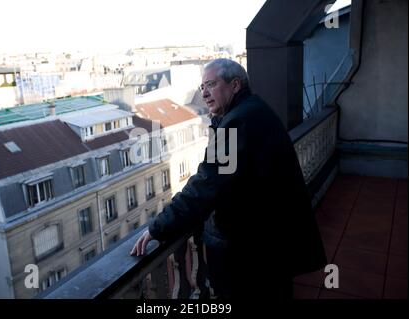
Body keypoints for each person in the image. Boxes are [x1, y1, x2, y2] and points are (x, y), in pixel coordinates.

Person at [131, 58, 327, 299]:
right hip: (272, 242)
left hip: (252, 251)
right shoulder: (253, 110)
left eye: (211, 85)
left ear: (235, 85)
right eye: (202, 87)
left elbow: (206, 185)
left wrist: (158, 227)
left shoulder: (235, 124)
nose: (204, 93)